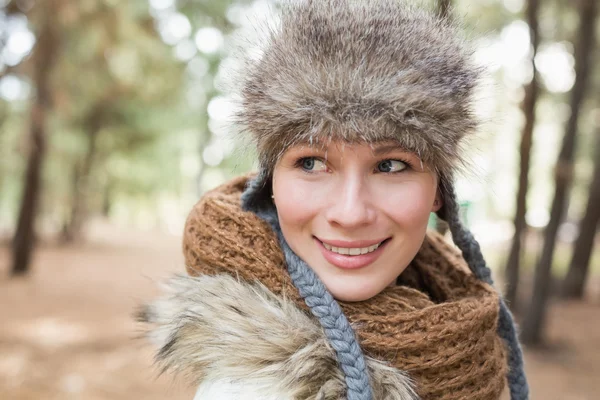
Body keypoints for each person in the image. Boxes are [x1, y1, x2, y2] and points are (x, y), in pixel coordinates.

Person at [139, 1, 530, 399]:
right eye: (310, 162)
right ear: (270, 184)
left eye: (392, 165)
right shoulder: (250, 389)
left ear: (439, 191)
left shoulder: (465, 327)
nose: (350, 213)